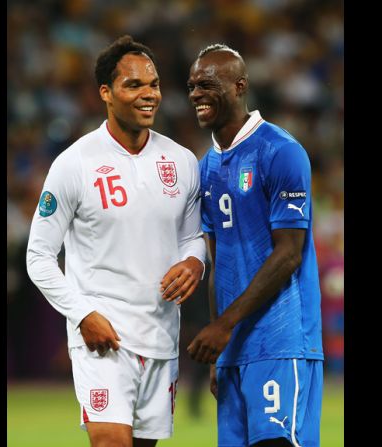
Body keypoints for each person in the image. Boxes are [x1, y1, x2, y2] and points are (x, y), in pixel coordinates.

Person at [26, 35, 205, 447]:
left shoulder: (180, 162)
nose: (149, 95)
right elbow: (39, 255)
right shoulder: (75, 164)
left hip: (161, 336)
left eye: (154, 84)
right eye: (134, 85)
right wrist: (82, 313)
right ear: (106, 92)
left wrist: (195, 262)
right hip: (102, 338)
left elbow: (193, 237)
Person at [185, 44, 324, 447]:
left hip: (282, 341)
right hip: (233, 351)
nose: (196, 93)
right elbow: (218, 263)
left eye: (207, 84)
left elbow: (288, 253)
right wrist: (219, 350)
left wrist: (223, 327)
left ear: (239, 85)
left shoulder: (280, 151)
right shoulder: (205, 168)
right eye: (192, 85)